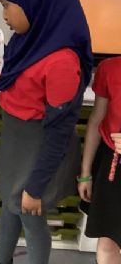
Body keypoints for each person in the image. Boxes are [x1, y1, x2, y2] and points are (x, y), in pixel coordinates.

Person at [0, 0, 93, 264]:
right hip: (16, 143)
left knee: (29, 213)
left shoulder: (61, 62)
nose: (4, 14)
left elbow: (59, 132)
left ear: (34, 3)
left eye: (7, 5)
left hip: (39, 152)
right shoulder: (28, 41)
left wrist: (36, 187)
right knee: (10, 205)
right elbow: (19, 73)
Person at [79, 57, 121, 264]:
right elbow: (97, 119)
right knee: (107, 240)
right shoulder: (110, 68)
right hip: (111, 165)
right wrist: (85, 173)